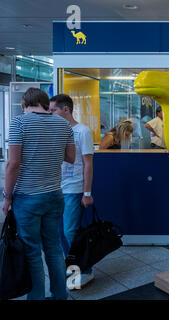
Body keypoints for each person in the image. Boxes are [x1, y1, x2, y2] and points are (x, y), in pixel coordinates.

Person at [2, 88, 75, 300]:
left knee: (32, 252)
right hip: (55, 194)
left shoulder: (19, 122)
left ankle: (36, 298)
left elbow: (13, 164)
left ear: (25, 104)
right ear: (44, 103)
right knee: (53, 249)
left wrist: (7, 197)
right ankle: (60, 296)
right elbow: (70, 157)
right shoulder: (63, 124)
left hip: (28, 197)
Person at [49, 94, 95, 288]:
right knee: (58, 232)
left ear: (65, 109)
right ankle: (71, 268)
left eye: (53, 110)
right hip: (55, 190)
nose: (50, 114)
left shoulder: (82, 131)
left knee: (70, 231)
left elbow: (88, 164)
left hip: (74, 189)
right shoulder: (55, 130)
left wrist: (86, 193)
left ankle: (85, 269)